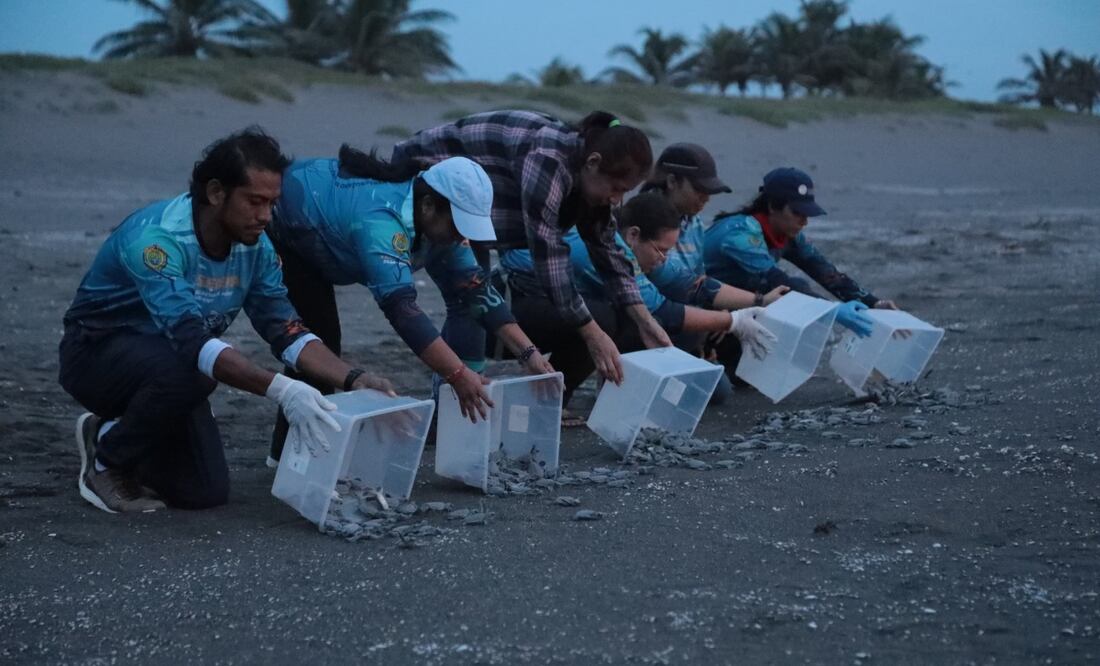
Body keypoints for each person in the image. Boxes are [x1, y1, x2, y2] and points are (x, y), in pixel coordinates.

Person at [59, 128, 395, 514]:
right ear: (217, 193)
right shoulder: (157, 239)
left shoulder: (257, 248)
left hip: (172, 367)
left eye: (273, 203)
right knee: (193, 372)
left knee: (204, 493)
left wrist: (354, 378)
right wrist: (284, 390)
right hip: (96, 355)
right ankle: (105, 462)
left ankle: (110, 429)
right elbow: (192, 344)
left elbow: (286, 330)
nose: (266, 217)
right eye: (255, 202)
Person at [265, 146, 555, 462]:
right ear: (429, 206)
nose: (462, 236)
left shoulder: (439, 226)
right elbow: (403, 313)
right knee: (320, 341)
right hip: (288, 226)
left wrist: (529, 353)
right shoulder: (381, 223)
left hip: (327, 233)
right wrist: (457, 374)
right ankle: (290, 455)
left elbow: (475, 290)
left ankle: (297, 450)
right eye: (458, 224)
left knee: (323, 338)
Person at [390, 109, 671, 389]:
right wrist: (591, 332)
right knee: (467, 301)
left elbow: (607, 249)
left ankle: (455, 397)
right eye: (616, 188)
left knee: (474, 296)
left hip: (481, 205)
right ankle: (454, 399)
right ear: (593, 163)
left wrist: (645, 321)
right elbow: (547, 253)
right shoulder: (548, 159)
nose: (616, 200)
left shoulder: (586, 175)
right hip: (433, 184)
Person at [500, 192, 774, 415]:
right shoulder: (607, 251)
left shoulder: (635, 247)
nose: (664, 258)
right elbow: (662, 310)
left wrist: (758, 301)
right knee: (606, 318)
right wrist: (734, 322)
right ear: (633, 235)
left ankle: (590, 390)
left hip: (555, 306)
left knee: (662, 327)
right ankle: (551, 400)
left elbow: (688, 282)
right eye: (661, 250)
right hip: (512, 309)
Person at [703, 167, 900, 378]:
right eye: (797, 213)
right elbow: (780, 285)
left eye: (807, 214)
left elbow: (827, 273)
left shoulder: (787, 233)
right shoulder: (740, 234)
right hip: (702, 312)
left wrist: (873, 304)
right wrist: (835, 312)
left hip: (738, 308)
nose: (804, 221)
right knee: (796, 288)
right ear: (772, 206)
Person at [639, 143, 789, 401]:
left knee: (718, 390)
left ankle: (700, 356)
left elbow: (700, 275)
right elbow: (681, 282)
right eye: (699, 189)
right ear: (673, 181)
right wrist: (754, 303)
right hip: (652, 316)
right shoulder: (645, 218)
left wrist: (718, 316)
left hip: (688, 315)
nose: (705, 198)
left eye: (709, 192)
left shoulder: (694, 222)